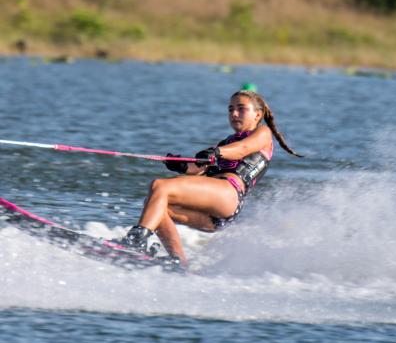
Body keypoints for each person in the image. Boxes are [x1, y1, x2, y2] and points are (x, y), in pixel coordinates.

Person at [119, 90, 302, 267]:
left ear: (257, 114)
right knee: (156, 204)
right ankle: (179, 262)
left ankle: (135, 241)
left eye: (241, 109)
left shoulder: (262, 133)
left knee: (160, 186)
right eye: (230, 109)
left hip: (229, 193)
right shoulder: (226, 142)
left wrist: (216, 152)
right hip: (214, 210)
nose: (234, 114)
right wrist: (181, 165)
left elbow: (243, 149)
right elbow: (198, 171)